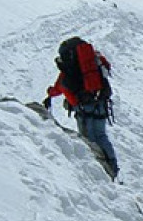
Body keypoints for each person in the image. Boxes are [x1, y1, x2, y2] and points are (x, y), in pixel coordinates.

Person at [43, 38, 119, 179]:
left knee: (88, 139)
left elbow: (60, 87)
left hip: (83, 109)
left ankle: (99, 173)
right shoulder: (94, 62)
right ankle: (113, 168)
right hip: (101, 102)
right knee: (101, 136)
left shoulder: (69, 70)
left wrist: (50, 93)